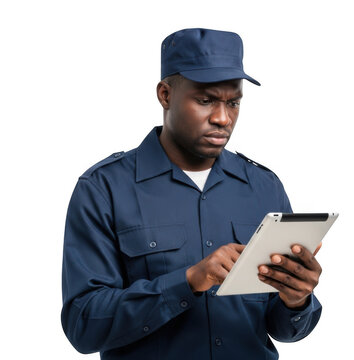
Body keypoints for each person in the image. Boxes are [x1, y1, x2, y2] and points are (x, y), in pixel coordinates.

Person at [61, 28, 323, 360]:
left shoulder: (264, 187)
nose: (222, 118)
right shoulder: (103, 189)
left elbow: (284, 328)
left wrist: (297, 299)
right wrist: (187, 282)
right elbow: (83, 325)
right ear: (165, 94)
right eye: (205, 100)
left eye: (233, 102)